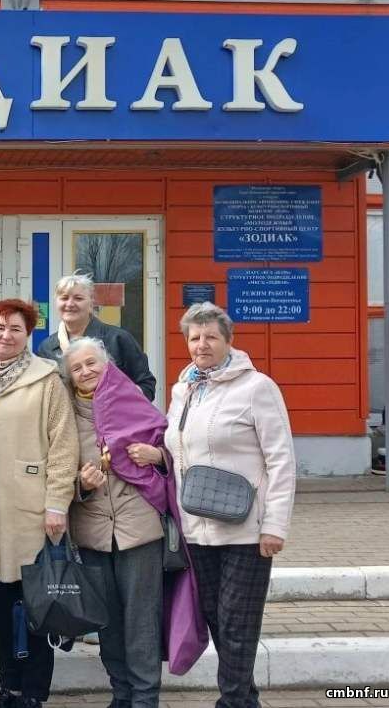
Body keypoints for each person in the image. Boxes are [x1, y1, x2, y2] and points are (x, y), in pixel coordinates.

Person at [164, 302, 296, 708]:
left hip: (245, 528)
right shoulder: (183, 389)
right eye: (195, 337)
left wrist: (274, 525)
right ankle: (244, 698)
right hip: (197, 527)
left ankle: (233, 701)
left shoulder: (256, 387)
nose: (202, 344)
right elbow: (177, 449)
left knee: (238, 622)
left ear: (229, 340)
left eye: (211, 337)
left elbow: (281, 459)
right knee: (218, 618)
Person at [64, 337, 206, 708]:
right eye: (77, 367)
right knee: (108, 621)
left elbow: (175, 450)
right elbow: (56, 472)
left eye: (92, 363)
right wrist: (81, 485)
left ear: (107, 364)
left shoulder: (133, 401)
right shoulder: (64, 416)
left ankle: (144, 697)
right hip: (93, 532)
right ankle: (121, 693)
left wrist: (156, 454)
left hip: (139, 529)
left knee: (142, 619)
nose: (86, 371)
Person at [0, 299, 80, 708]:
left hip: (31, 511)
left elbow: (64, 446)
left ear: (28, 334)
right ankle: (9, 687)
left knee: (33, 607)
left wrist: (57, 503)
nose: (6, 335)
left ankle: (32, 693)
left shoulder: (47, 379)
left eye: (15, 328)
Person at [37, 272, 156, 402]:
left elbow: (147, 385)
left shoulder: (118, 339)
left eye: (78, 298)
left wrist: (122, 398)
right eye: (64, 298)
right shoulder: (46, 348)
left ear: (91, 304)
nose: (70, 304)